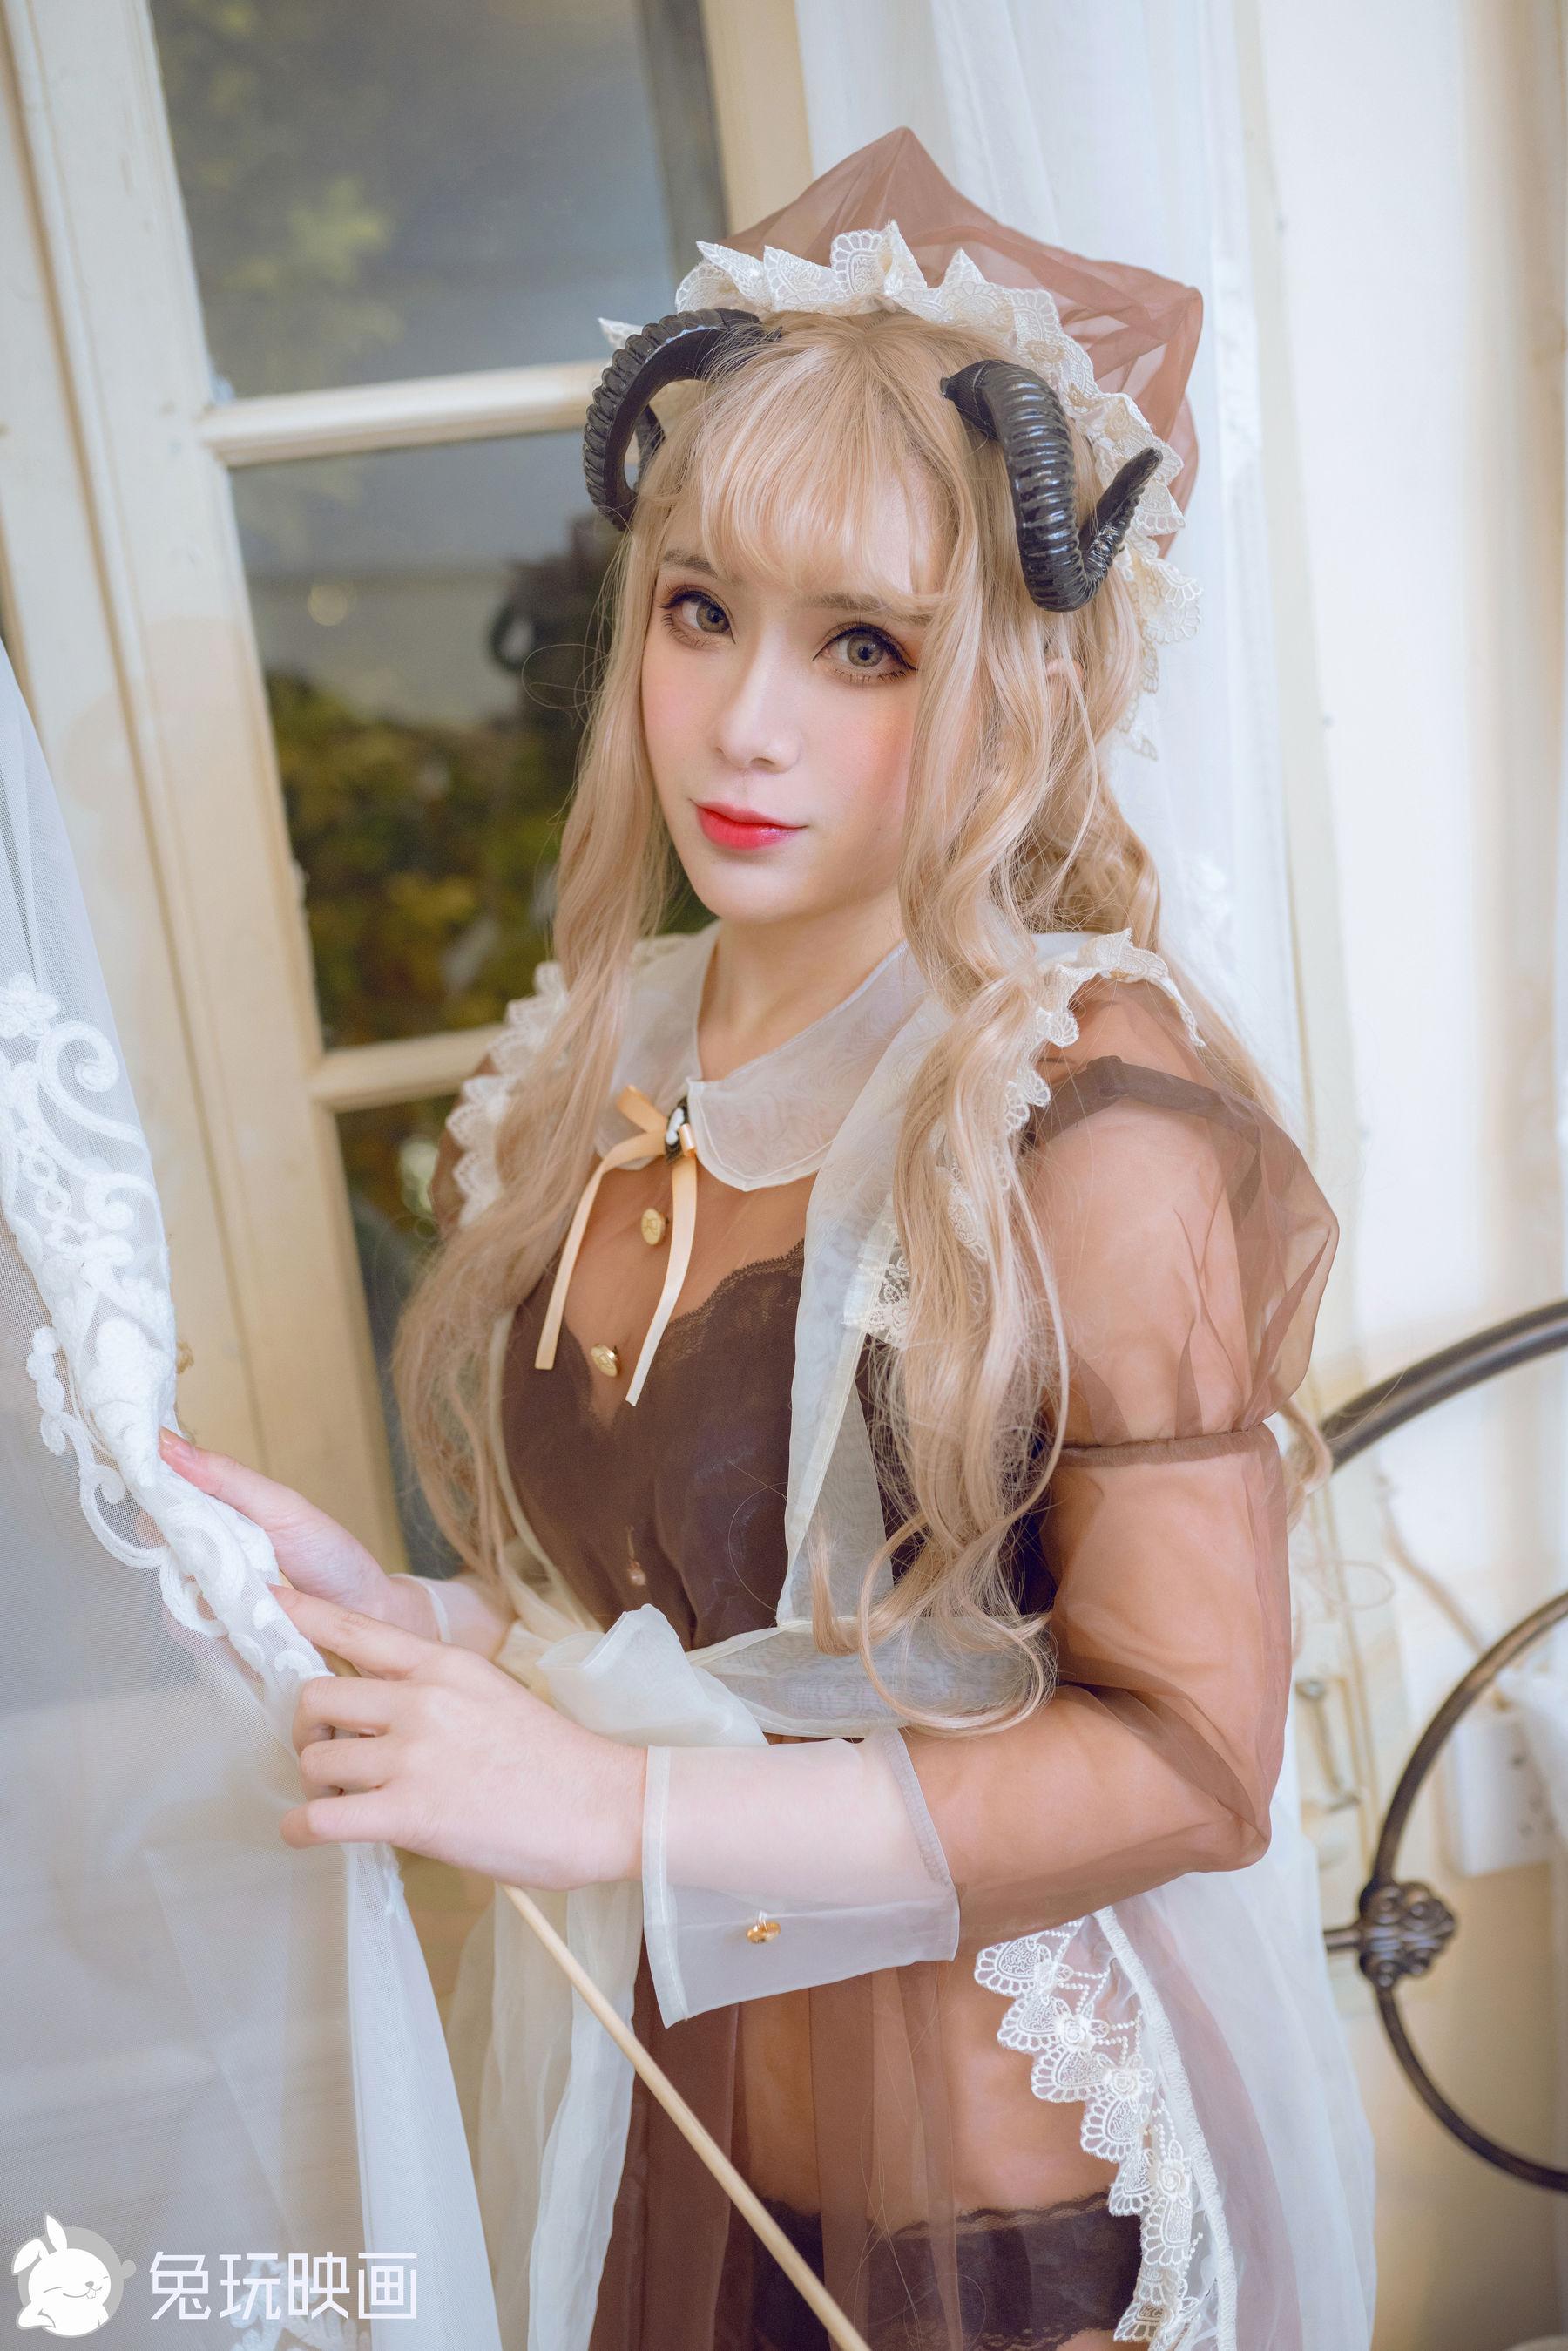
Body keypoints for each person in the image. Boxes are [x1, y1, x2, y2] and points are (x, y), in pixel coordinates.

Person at [159, 133, 1375, 2351]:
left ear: (1017, 681)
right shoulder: (608, 1045)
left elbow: (1197, 1762)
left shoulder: (1076, 1103)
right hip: (672, 2146)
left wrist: (606, 1799)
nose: (743, 720)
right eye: (701, 606)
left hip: (989, 2238)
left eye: (866, 646)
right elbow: (728, 1634)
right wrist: (427, 1624)